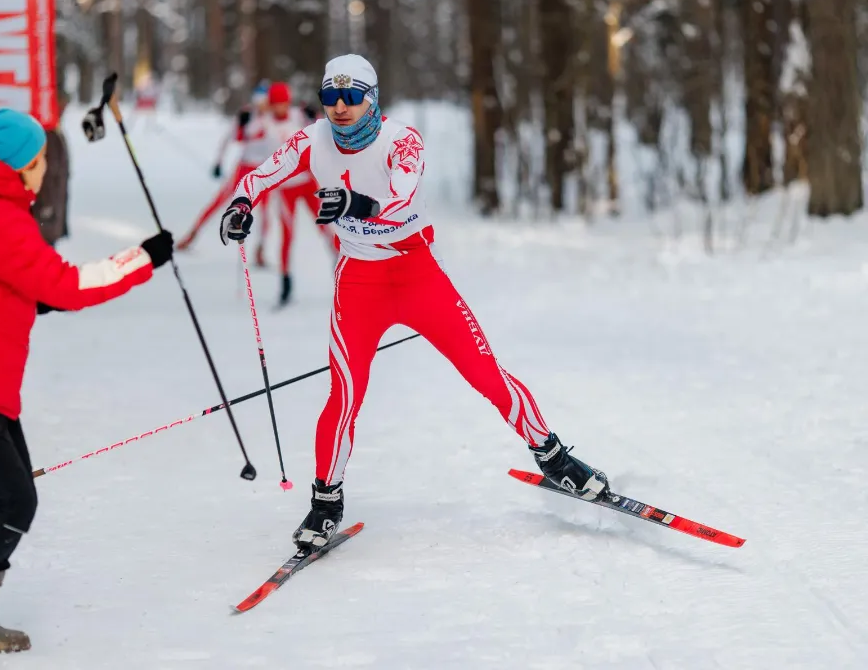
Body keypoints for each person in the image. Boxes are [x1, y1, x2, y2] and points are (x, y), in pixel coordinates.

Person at [219, 54, 609, 551]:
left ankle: (555, 459)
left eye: (352, 97)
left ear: (372, 98)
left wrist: (356, 203)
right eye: (330, 97)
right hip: (359, 283)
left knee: (485, 372)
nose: (340, 107)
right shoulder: (311, 139)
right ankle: (325, 502)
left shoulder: (401, 140)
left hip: (417, 274)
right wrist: (240, 206)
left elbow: (401, 199)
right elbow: (260, 175)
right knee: (344, 395)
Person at [0, 108, 174, 663]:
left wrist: (37, 295)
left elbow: (10, 283)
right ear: (24, 166)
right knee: (10, 499)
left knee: (13, 500)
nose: (45, 167)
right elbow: (70, 285)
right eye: (41, 159)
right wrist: (141, 258)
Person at [260, 81, 337, 306]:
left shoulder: (297, 115)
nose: (280, 108)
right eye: (276, 104)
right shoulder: (265, 123)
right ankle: (285, 281)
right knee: (287, 234)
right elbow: (245, 134)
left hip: (307, 182)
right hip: (285, 189)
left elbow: (323, 127)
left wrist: (315, 115)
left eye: (283, 102)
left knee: (326, 225)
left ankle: (343, 269)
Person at [175, 81, 273, 256]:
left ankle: (261, 248)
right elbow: (231, 138)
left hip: (265, 171)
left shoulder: (273, 117)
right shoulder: (247, 114)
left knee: (266, 210)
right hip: (244, 168)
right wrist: (219, 161)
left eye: (264, 102)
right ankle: (192, 234)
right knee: (219, 202)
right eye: (259, 102)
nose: (261, 106)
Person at [32, 91, 70, 246]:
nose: (63, 109)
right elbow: (45, 175)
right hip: (43, 218)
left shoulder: (55, 131)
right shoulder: (45, 134)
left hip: (50, 217)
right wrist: (45, 209)